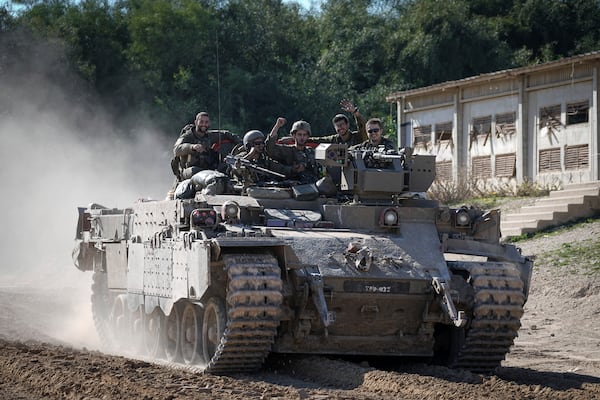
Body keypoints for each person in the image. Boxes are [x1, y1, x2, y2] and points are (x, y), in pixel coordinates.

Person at [172, 112, 240, 181]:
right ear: (195, 122)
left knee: (226, 168)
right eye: (201, 122)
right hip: (189, 170)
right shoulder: (187, 136)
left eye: (206, 122)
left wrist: (242, 143)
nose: (204, 124)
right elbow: (176, 150)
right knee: (195, 171)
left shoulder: (209, 136)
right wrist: (192, 147)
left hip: (207, 169)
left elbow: (226, 134)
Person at [265, 117, 320, 184]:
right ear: (294, 136)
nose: (302, 138)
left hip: (313, 185)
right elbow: (270, 149)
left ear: (308, 136)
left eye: (304, 135)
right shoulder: (287, 151)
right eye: (299, 135)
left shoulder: (312, 152)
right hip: (294, 185)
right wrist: (277, 126)